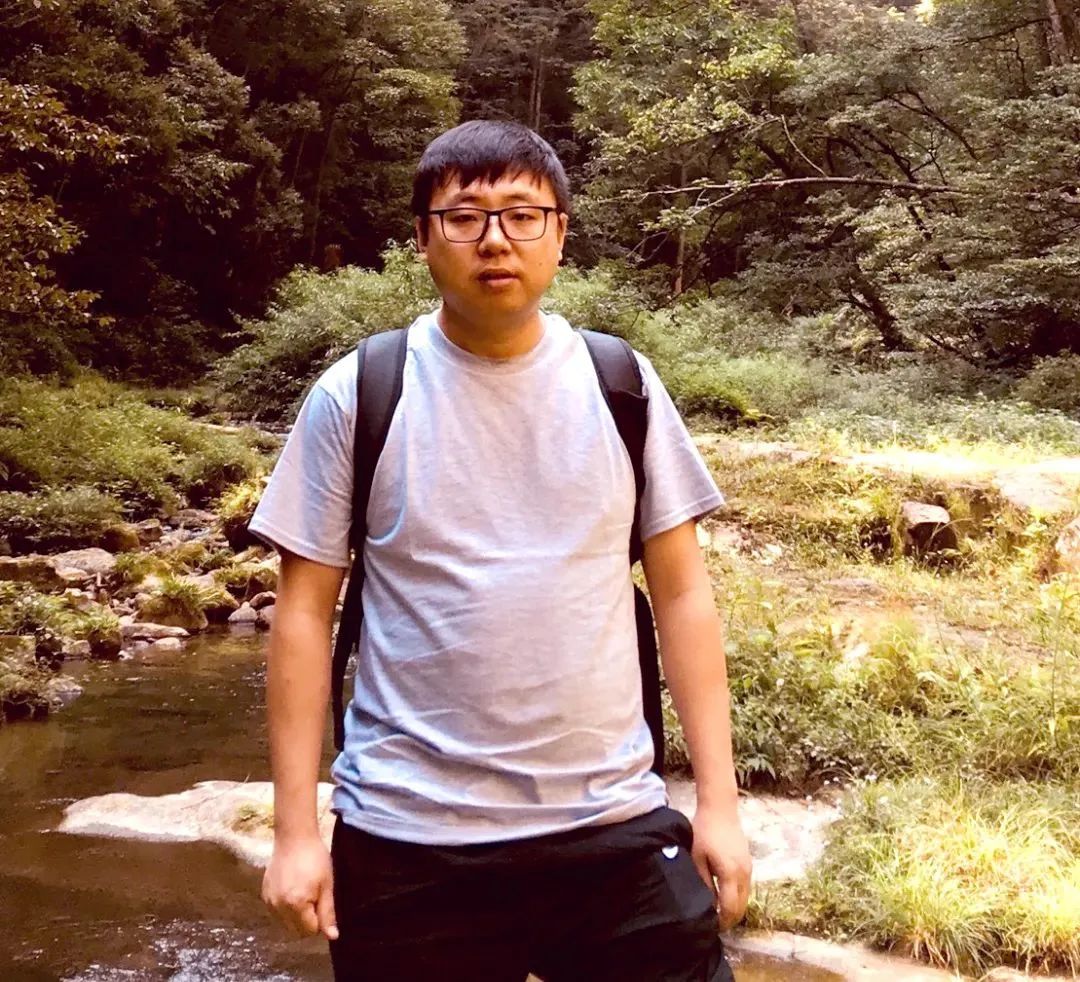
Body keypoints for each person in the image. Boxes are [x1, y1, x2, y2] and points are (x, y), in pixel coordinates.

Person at [250, 119, 751, 981]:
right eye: (464, 216)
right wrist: (295, 833)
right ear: (422, 238)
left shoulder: (622, 384)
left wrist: (720, 803)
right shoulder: (360, 392)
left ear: (560, 233)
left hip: (613, 827)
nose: (494, 239)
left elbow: (682, 596)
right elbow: (301, 615)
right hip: (410, 843)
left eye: (523, 214)